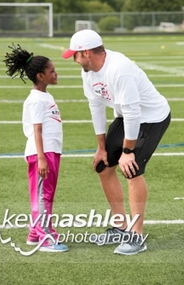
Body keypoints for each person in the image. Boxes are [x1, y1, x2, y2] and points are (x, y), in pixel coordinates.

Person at [62, 29, 170, 255]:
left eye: (76, 54)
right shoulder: (88, 71)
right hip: (126, 116)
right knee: (103, 167)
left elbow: (134, 113)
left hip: (150, 118)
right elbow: (96, 107)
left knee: (131, 169)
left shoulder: (120, 70)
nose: (73, 59)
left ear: (87, 52)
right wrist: (101, 148)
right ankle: (121, 227)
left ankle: (137, 235)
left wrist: (128, 151)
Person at [4, 44, 67, 252]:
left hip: (50, 151)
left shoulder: (45, 96)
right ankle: (44, 238)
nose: (56, 74)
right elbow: (37, 130)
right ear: (40, 76)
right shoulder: (35, 100)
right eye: (52, 71)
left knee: (47, 194)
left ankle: (34, 233)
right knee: (43, 196)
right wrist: (41, 158)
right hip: (42, 153)